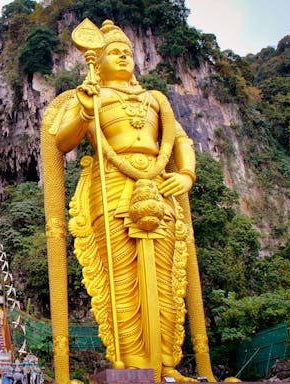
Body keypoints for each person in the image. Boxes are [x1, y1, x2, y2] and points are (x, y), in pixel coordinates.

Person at [41, 19, 214, 382]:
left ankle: (167, 363)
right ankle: (134, 361)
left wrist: (186, 174)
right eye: (113, 52)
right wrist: (86, 109)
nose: (122, 57)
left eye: (127, 53)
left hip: (159, 187)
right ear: (97, 60)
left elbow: (181, 141)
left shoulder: (156, 100)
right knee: (121, 278)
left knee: (168, 278)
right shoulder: (93, 95)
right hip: (112, 188)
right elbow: (62, 142)